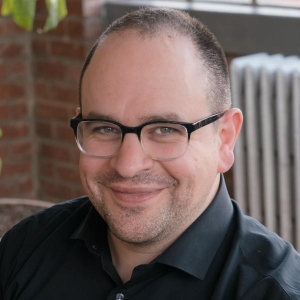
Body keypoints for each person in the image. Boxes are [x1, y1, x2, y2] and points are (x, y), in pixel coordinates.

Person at [0, 7, 299, 300]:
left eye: (165, 129)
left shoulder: (275, 292)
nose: (128, 166)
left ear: (224, 139)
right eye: (105, 128)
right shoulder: (24, 248)